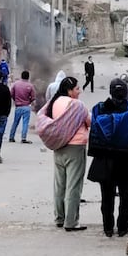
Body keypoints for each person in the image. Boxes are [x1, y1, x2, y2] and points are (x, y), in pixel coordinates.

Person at [87, 78, 128, 237]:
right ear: (125, 92)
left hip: (105, 160)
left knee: (106, 196)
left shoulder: (99, 109)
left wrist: (96, 153)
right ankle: (122, 227)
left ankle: (108, 227)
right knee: (126, 196)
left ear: (110, 91)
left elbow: (93, 134)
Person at [37, 76, 91, 232]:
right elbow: (89, 121)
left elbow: (44, 118)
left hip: (58, 146)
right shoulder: (77, 106)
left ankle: (59, 218)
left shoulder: (53, 102)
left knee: (60, 185)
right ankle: (71, 221)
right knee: (73, 185)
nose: (79, 91)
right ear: (70, 90)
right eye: (77, 89)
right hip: (75, 148)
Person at [8, 70, 36, 144]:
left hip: (18, 106)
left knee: (15, 122)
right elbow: (33, 98)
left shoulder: (15, 84)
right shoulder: (30, 86)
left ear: (21, 76)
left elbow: (11, 94)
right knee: (25, 123)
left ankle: (11, 137)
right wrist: (31, 103)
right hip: (26, 107)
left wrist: (15, 100)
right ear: (28, 77)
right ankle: (23, 138)